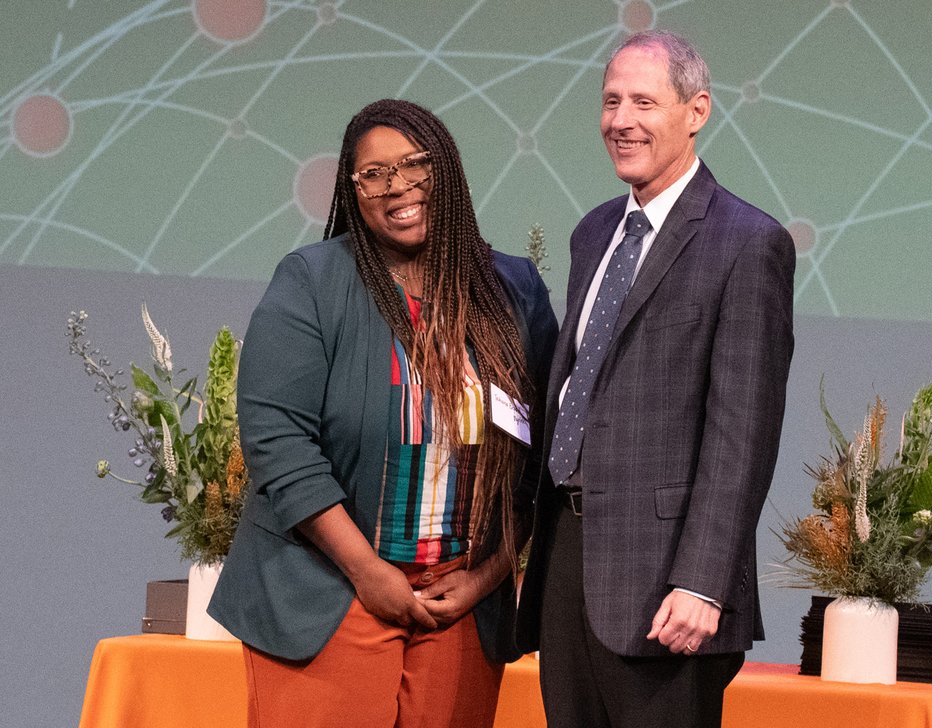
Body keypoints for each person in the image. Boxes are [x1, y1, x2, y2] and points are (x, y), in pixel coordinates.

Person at [209, 98, 557, 728]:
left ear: (445, 169)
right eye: (373, 174)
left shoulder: (514, 290)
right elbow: (278, 441)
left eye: (414, 164)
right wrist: (367, 570)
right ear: (354, 189)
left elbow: (544, 452)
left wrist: (486, 577)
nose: (396, 186)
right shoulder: (313, 281)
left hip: (458, 604)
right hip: (329, 591)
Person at [516, 30, 795, 728]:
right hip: (568, 560)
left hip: (669, 581)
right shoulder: (593, 234)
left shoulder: (747, 242)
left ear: (697, 111)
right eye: (611, 101)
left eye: (644, 102)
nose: (621, 120)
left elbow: (742, 433)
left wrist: (703, 580)